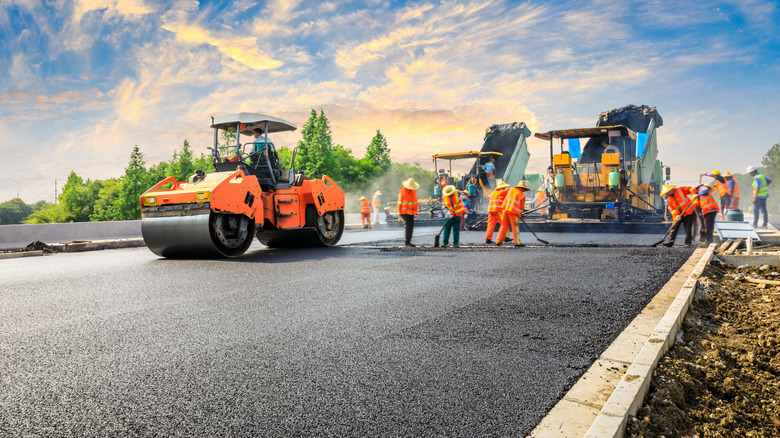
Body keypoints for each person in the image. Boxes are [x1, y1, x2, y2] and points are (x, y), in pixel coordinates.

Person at [496, 180, 531, 247]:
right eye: (524, 189)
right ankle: (517, 242)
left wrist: (505, 201)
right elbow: (521, 208)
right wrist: (519, 215)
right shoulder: (522, 195)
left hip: (505, 210)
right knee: (515, 228)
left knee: (503, 227)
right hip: (513, 213)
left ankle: (498, 241)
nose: (523, 191)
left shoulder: (510, 189)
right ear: (522, 188)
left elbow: (500, 194)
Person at [398, 178, 419, 247]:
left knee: (411, 227)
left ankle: (408, 242)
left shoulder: (413, 192)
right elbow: (400, 201)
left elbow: (415, 202)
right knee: (408, 227)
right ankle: (407, 243)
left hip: (411, 212)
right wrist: (399, 212)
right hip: (404, 212)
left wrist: (416, 212)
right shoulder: (403, 191)